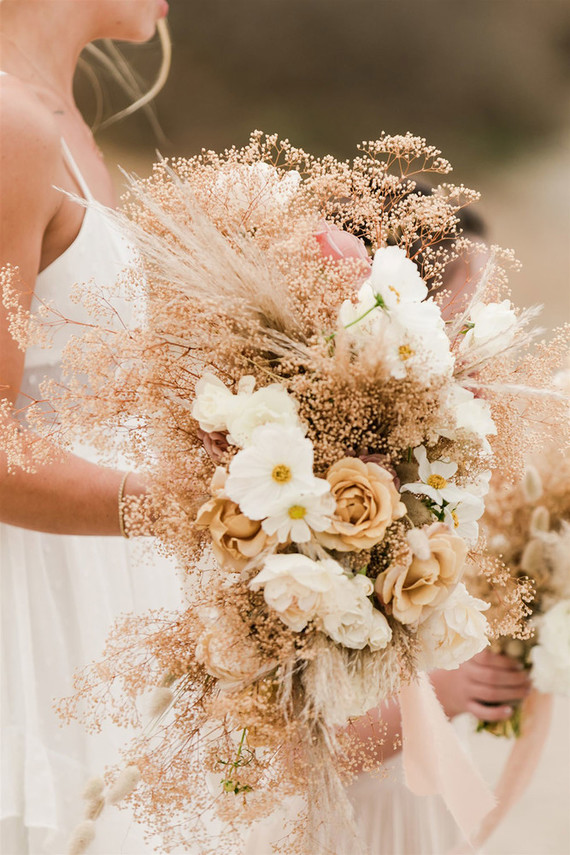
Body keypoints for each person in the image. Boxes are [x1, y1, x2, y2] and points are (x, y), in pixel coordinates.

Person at [0, 2, 180, 853]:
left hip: (105, 603)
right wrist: (196, 510)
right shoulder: (8, 125)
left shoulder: (62, 118)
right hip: (25, 620)